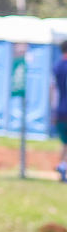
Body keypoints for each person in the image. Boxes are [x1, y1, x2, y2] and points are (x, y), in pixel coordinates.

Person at [53, 41, 67, 182]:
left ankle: (62, 166)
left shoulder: (57, 67)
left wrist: (53, 111)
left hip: (60, 111)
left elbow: (53, 90)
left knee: (64, 142)